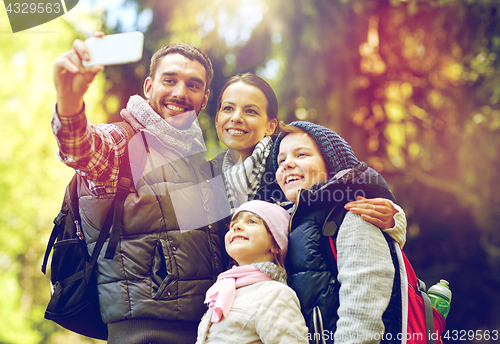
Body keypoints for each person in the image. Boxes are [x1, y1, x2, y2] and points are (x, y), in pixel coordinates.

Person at [52, 32, 228, 343]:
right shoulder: (125, 142)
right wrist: (69, 101)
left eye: (193, 85)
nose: (180, 92)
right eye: (170, 80)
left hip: (203, 332)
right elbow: (81, 148)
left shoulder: (201, 164)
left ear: (204, 97)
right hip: (143, 333)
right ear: (149, 87)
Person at [210, 73, 406, 245]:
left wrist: (395, 219)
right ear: (217, 117)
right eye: (228, 108)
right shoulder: (206, 175)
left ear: (270, 126)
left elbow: (351, 181)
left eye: (250, 111)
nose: (236, 118)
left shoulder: (286, 167)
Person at [273, 121, 404, 343]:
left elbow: (362, 311)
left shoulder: (353, 215)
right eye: (281, 160)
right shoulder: (284, 222)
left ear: (332, 164)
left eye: (301, 155)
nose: (287, 164)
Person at [196, 200, 309, 344]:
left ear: (276, 244)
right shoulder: (223, 289)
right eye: (232, 225)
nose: (237, 226)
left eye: (251, 221)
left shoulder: (275, 294)